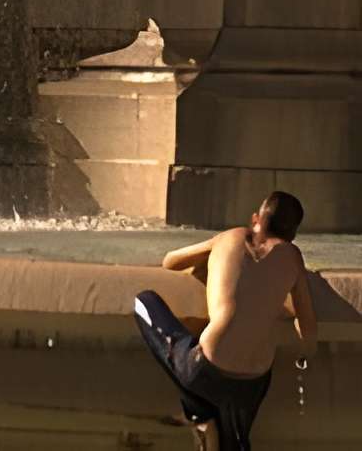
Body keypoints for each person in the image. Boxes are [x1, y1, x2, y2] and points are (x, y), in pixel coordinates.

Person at [133, 189, 316, 451]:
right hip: (254, 382)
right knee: (235, 445)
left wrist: (214, 261)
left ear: (255, 219)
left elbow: (170, 261)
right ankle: (211, 424)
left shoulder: (231, 236)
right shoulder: (294, 257)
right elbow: (308, 330)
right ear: (293, 234)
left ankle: (199, 414)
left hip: (206, 368)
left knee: (143, 301)